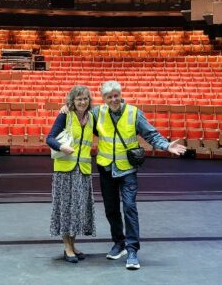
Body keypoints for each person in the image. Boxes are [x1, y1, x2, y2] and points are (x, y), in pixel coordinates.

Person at [62, 80, 186, 270]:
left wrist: (166, 145)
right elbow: (80, 115)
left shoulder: (134, 113)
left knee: (129, 208)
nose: (113, 99)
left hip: (127, 170)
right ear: (103, 99)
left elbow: (151, 134)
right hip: (106, 169)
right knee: (111, 210)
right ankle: (118, 243)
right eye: (109, 97)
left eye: (116, 95)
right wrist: (66, 108)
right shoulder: (97, 113)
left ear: (120, 95)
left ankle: (132, 250)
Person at [46, 85, 96, 264]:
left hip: (83, 172)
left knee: (77, 211)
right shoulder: (65, 115)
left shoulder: (92, 118)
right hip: (65, 171)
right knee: (66, 210)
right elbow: (49, 138)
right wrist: (61, 147)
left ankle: (73, 246)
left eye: (85, 99)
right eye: (79, 99)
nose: (82, 102)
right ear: (72, 101)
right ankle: (67, 247)